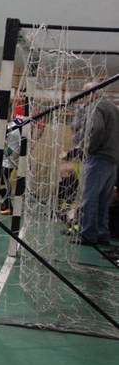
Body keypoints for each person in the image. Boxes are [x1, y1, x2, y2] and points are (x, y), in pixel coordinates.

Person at [71, 81, 119, 246]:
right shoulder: (113, 107)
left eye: (84, 93)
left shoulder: (95, 107)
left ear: (91, 93)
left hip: (99, 157)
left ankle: (88, 235)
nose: (83, 97)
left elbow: (97, 128)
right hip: (113, 159)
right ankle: (102, 234)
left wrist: (89, 149)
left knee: (90, 197)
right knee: (104, 200)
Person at [0, 116, 23, 215]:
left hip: (9, 161)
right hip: (2, 159)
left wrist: (14, 157)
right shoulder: (3, 125)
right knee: (3, 182)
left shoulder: (17, 126)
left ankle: (9, 206)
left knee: (1, 181)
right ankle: (7, 204)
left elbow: (21, 145)